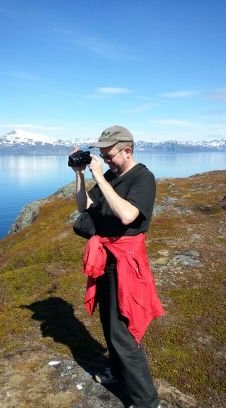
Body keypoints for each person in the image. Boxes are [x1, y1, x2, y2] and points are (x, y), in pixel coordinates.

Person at [72, 125, 165, 408]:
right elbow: (83, 206)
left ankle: (146, 401)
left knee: (123, 331)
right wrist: (79, 173)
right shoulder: (112, 174)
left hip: (126, 262)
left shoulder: (143, 178)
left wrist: (100, 176)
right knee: (108, 323)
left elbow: (127, 215)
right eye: (101, 154)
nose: (104, 158)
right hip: (107, 260)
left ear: (127, 150)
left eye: (108, 154)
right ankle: (117, 372)